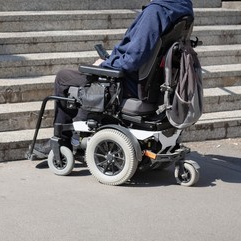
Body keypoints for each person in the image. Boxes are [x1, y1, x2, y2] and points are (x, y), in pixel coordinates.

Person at [33, 0, 194, 158]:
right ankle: (79, 131)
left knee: (63, 77)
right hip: (152, 84)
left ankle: (61, 142)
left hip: (129, 84)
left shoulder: (156, 12)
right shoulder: (184, 8)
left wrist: (105, 65)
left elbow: (133, 58)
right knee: (86, 80)